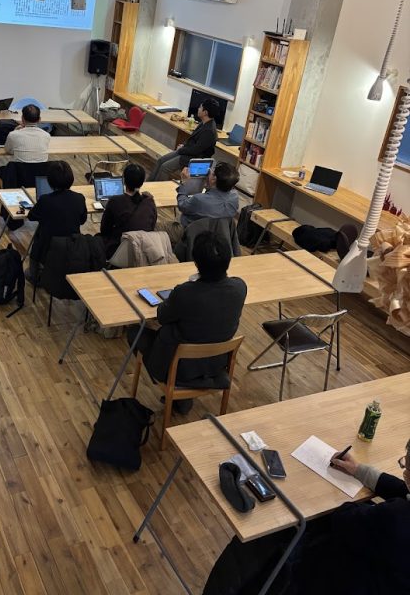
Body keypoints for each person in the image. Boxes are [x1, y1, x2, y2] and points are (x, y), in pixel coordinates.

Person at [204, 439, 410, 595]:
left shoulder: (395, 517)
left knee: (283, 530)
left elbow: (343, 518)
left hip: (340, 580)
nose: (403, 471)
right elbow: (401, 490)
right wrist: (358, 470)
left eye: (406, 467)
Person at [129, 231, 246, 414]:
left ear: (196, 262)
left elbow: (162, 317)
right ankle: (181, 399)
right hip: (217, 364)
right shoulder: (240, 288)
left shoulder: (185, 292)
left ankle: (172, 387)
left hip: (180, 367)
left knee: (135, 333)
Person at [27, 161, 87, 280]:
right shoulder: (79, 198)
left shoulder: (45, 200)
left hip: (47, 248)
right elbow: (82, 220)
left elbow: (31, 216)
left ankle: (35, 275)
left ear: (50, 181)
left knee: (38, 237)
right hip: (72, 246)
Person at [149, 97, 219, 181]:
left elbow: (196, 150)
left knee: (165, 167)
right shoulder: (204, 123)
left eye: (200, 107)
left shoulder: (209, 131)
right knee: (160, 160)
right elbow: (192, 139)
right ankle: (148, 184)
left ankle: (157, 188)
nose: (198, 109)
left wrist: (181, 149)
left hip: (193, 158)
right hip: (187, 152)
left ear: (205, 112)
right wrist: (183, 145)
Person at [99, 163, 157, 258]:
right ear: (142, 182)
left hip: (119, 251)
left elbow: (104, 229)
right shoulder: (149, 201)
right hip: (144, 250)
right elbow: (152, 226)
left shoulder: (115, 201)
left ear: (124, 180)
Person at [177, 161, 240, 228]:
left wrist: (184, 183)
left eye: (212, 172)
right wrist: (209, 184)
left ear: (214, 179)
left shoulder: (199, 199)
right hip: (218, 231)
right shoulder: (235, 196)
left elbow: (182, 205)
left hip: (192, 230)